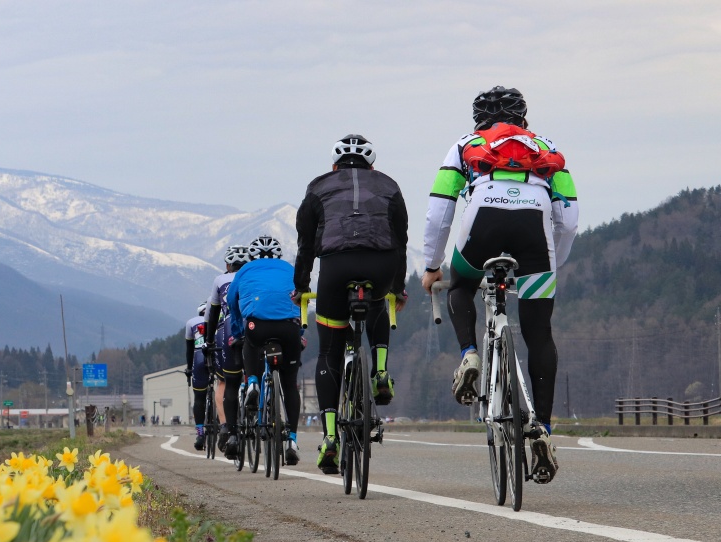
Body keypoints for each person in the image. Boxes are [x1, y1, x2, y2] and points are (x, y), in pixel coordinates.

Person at [420, 86, 578, 483]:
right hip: (535, 233)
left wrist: (431, 265)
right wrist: (551, 260)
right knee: (540, 334)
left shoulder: (465, 145)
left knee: (460, 286)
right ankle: (541, 426)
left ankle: (470, 353)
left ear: (478, 120)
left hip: (482, 223)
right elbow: (569, 218)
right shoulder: (545, 146)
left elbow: (440, 212)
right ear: (524, 118)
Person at [293, 134, 408, 474]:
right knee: (376, 301)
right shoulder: (389, 185)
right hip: (381, 264)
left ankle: (330, 437)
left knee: (329, 350)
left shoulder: (317, 187)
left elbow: (305, 246)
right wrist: (398, 289)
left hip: (336, 267)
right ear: (373, 166)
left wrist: (300, 287)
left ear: (334, 166)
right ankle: (381, 371)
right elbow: (400, 242)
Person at [226, 235, 305, 465]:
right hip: (289, 326)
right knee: (290, 385)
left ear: (252, 256)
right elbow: (302, 299)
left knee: (250, 343)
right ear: (278, 256)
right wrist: (299, 333)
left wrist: (240, 330)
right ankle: (291, 439)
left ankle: (252, 381)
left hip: (256, 324)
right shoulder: (289, 268)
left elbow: (232, 301)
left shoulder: (245, 270)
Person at [205, 245, 252, 456]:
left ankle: (229, 430)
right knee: (255, 374)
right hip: (255, 327)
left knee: (228, 382)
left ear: (227, 265)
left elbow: (212, 314)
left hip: (227, 331)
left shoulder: (219, 280)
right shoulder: (254, 276)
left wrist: (207, 341)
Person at [184, 300, 210, 449]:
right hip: (218, 354)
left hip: (199, 357)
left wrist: (189, 369)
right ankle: (228, 428)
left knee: (199, 397)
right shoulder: (220, 319)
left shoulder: (191, 323)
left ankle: (200, 433)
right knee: (225, 387)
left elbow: (189, 350)